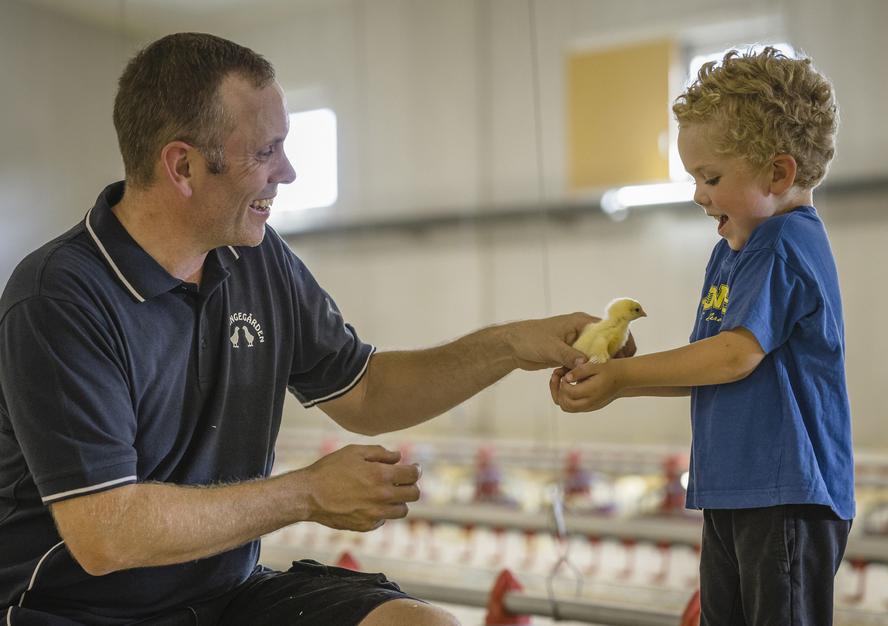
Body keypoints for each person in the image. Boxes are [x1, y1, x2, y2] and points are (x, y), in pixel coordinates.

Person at [0, 32, 610, 626]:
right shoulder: (59, 297)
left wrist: (508, 346)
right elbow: (107, 533)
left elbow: (364, 391)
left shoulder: (258, 260)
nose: (286, 172)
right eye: (265, 151)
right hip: (80, 609)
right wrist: (307, 493)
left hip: (224, 595)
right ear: (183, 165)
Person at [551, 47, 854, 625]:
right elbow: (706, 368)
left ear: (779, 173)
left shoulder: (785, 242)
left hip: (786, 495)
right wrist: (613, 381)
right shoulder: (732, 254)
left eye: (710, 177)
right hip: (735, 490)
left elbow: (734, 356)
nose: (697, 194)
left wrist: (621, 376)